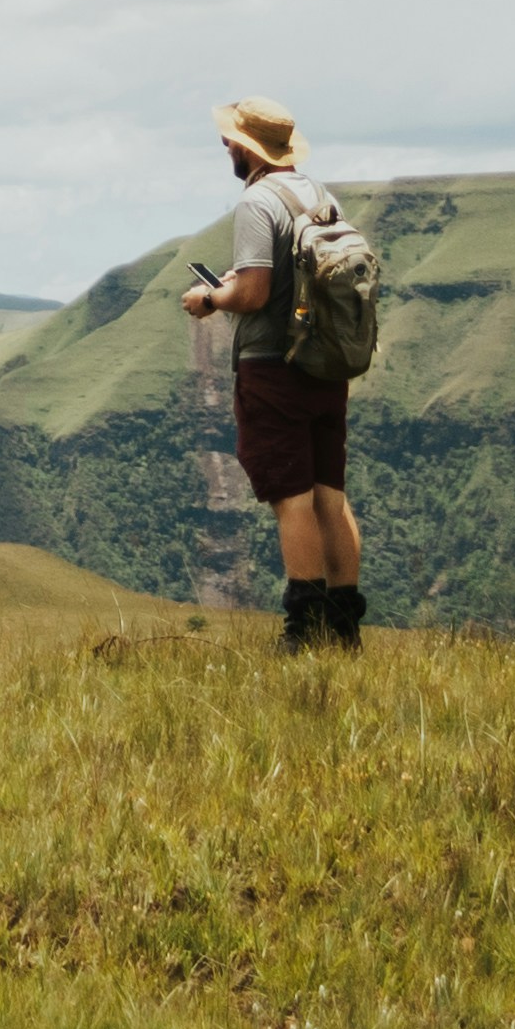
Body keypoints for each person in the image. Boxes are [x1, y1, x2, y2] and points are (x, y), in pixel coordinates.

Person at [181, 97, 372, 652]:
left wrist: (211, 296)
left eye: (230, 141)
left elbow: (255, 291)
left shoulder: (258, 204)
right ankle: (344, 626)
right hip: (326, 362)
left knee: (291, 497)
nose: (225, 147)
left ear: (247, 147)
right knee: (330, 496)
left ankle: (304, 626)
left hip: (273, 366)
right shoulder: (318, 195)